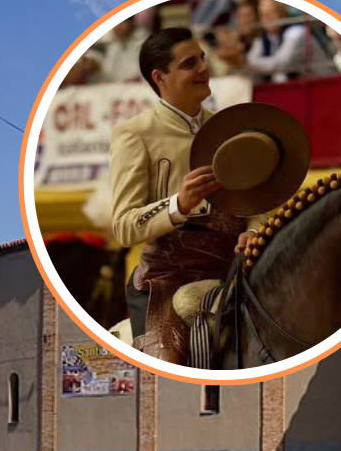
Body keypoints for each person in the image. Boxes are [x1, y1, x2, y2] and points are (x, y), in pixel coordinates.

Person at [109, 28, 256, 364]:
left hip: (236, 268)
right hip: (167, 277)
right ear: (160, 77)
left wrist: (255, 230)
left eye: (203, 58)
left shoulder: (228, 128)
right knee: (167, 368)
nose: (204, 68)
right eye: (190, 63)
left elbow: (258, 199)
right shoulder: (134, 134)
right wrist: (178, 204)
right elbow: (124, 226)